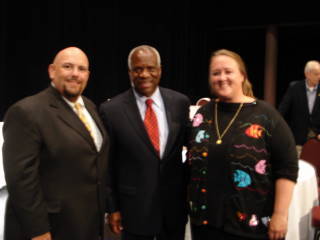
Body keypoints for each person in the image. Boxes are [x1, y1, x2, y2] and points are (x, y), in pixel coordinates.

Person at [188, 49, 298, 240]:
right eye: (216, 73)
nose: (222, 78)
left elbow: (287, 167)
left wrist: (280, 215)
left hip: (250, 227)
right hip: (205, 223)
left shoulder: (266, 115)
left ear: (242, 76)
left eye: (228, 71)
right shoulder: (202, 113)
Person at [2, 47, 109, 240]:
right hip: (50, 230)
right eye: (68, 67)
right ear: (52, 71)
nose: (75, 74)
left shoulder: (90, 106)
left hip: (87, 225)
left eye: (81, 69)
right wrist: (38, 231)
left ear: (88, 75)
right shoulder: (26, 112)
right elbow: (21, 181)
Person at [99, 45, 190, 240]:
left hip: (173, 209)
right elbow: (107, 164)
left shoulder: (180, 103)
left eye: (150, 68)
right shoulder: (111, 110)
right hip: (133, 210)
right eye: (138, 69)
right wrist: (112, 208)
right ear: (130, 72)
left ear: (160, 70)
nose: (144, 74)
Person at [278, 60, 320, 152]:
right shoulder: (295, 88)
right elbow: (283, 109)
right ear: (307, 74)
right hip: (298, 139)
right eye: (316, 74)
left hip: (317, 140)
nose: (319, 77)